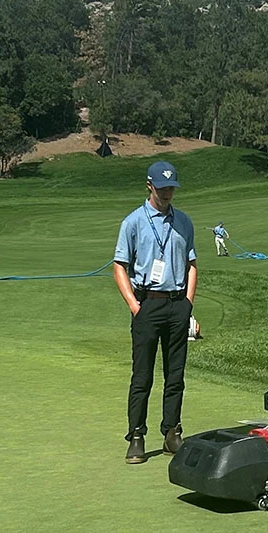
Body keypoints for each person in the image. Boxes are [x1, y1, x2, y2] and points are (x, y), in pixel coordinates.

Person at [113, 161, 197, 464]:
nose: (167, 193)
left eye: (171, 187)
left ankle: (172, 431)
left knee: (175, 375)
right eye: (162, 188)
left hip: (177, 304)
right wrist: (135, 306)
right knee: (142, 376)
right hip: (147, 303)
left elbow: (191, 264)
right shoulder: (133, 222)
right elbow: (119, 266)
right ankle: (136, 435)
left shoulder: (184, 221)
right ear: (149, 185)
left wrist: (187, 302)